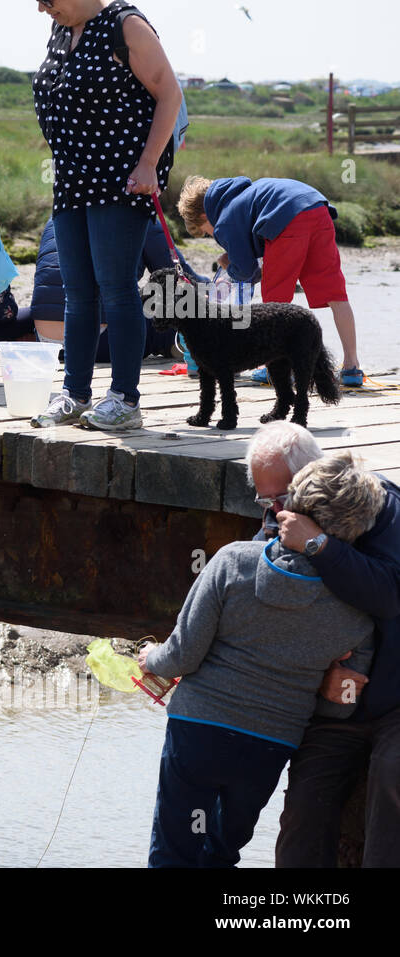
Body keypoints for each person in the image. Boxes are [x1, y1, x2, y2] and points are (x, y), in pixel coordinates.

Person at [140, 452, 384, 867]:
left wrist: (151, 659)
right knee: (219, 849)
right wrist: (319, 679)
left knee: (175, 849)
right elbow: (340, 705)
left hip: (198, 731)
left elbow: (182, 655)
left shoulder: (234, 561)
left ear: (292, 507)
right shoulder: (359, 615)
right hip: (269, 745)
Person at [245, 436, 400, 868]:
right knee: (304, 805)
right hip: (338, 707)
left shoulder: (382, 508)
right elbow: (262, 616)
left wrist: (320, 546)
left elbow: (388, 596)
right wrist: (315, 675)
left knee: (392, 776)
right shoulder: (283, 519)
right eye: (268, 499)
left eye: (283, 497)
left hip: (396, 699)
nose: (278, 510)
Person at [30, 0, 181, 431]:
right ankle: (75, 394)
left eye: (48, 0)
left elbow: (169, 92)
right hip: (72, 179)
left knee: (116, 288)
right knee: (76, 291)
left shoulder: (124, 25)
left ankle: (125, 400)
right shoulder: (62, 30)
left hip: (121, 177)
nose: (42, 9)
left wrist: (149, 163)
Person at [177, 175, 365, 387]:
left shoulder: (224, 219)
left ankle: (277, 369)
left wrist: (229, 265)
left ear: (205, 215)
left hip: (288, 220)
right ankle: (352, 367)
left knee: (275, 303)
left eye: (206, 233)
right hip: (317, 208)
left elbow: (247, 271)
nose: (214, 237)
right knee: (336, 295)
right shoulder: (243, 195)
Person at [24, 216, 200, 364]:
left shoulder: (59, 213)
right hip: (104, 343)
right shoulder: (138, 213)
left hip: (47, 342)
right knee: (166, 307)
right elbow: (179, 276)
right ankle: (174, 342)